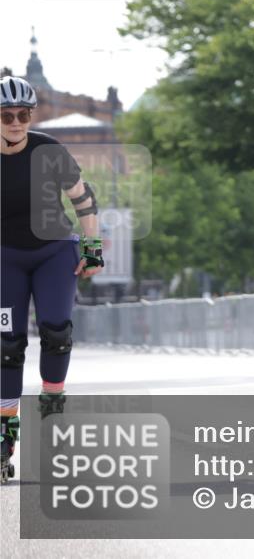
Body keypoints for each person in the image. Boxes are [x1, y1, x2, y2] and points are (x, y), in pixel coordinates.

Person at [1, 76, 104, 483]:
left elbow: (84, 198)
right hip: (5, 258)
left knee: (56, 332)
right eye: (7, 115)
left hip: (54, 251)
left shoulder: (48, 150)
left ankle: (52, 417)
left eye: (23, 115)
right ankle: (4, 441)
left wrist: (92, 248)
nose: (15, 122)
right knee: (7, 347)